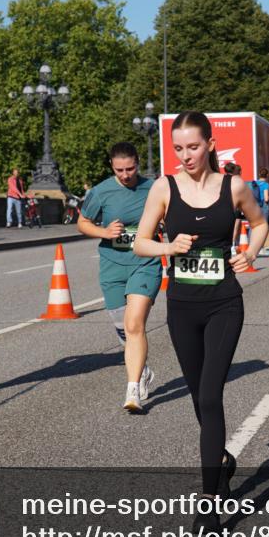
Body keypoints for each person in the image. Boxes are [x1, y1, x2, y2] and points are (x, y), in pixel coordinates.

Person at [133, 111, 268, 533]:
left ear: (210, 144)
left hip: (224, 304)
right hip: (182, 308)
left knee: (210, 396)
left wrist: (251, 252)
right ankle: (222, 461)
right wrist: (167, 246)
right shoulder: (164, 188)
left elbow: (260, 223)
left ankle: (209, 505)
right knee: (198, 398)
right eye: (178, 148)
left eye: (193, 147)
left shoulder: (233, 186)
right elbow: (140, 242)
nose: (185, 155)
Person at [77, 142, 161, 412]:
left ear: (138, 164)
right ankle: (143, 369)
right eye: (119, 170)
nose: (125, 175)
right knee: (122, 327)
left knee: (134, 323)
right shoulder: (101, 191)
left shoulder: (153, 188)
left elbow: (171, 214)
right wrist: (104, 232)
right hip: (112, 264)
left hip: (145, 262)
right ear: (112, 167)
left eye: (130, 169)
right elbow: (82, 223)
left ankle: (132, 390)